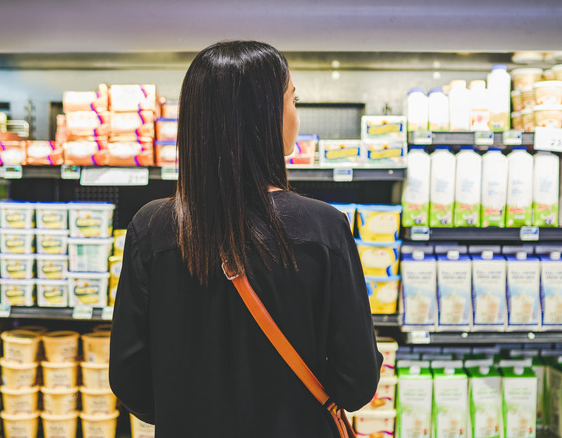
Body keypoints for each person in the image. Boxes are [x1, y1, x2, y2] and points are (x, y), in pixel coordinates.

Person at [109, 40, 382, 438]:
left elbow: (128, 375)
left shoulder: (152, 227)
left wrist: (188, 410)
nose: (296, 116)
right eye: (294, 101)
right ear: (266, 117)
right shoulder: (324, 227)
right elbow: (357, 382)